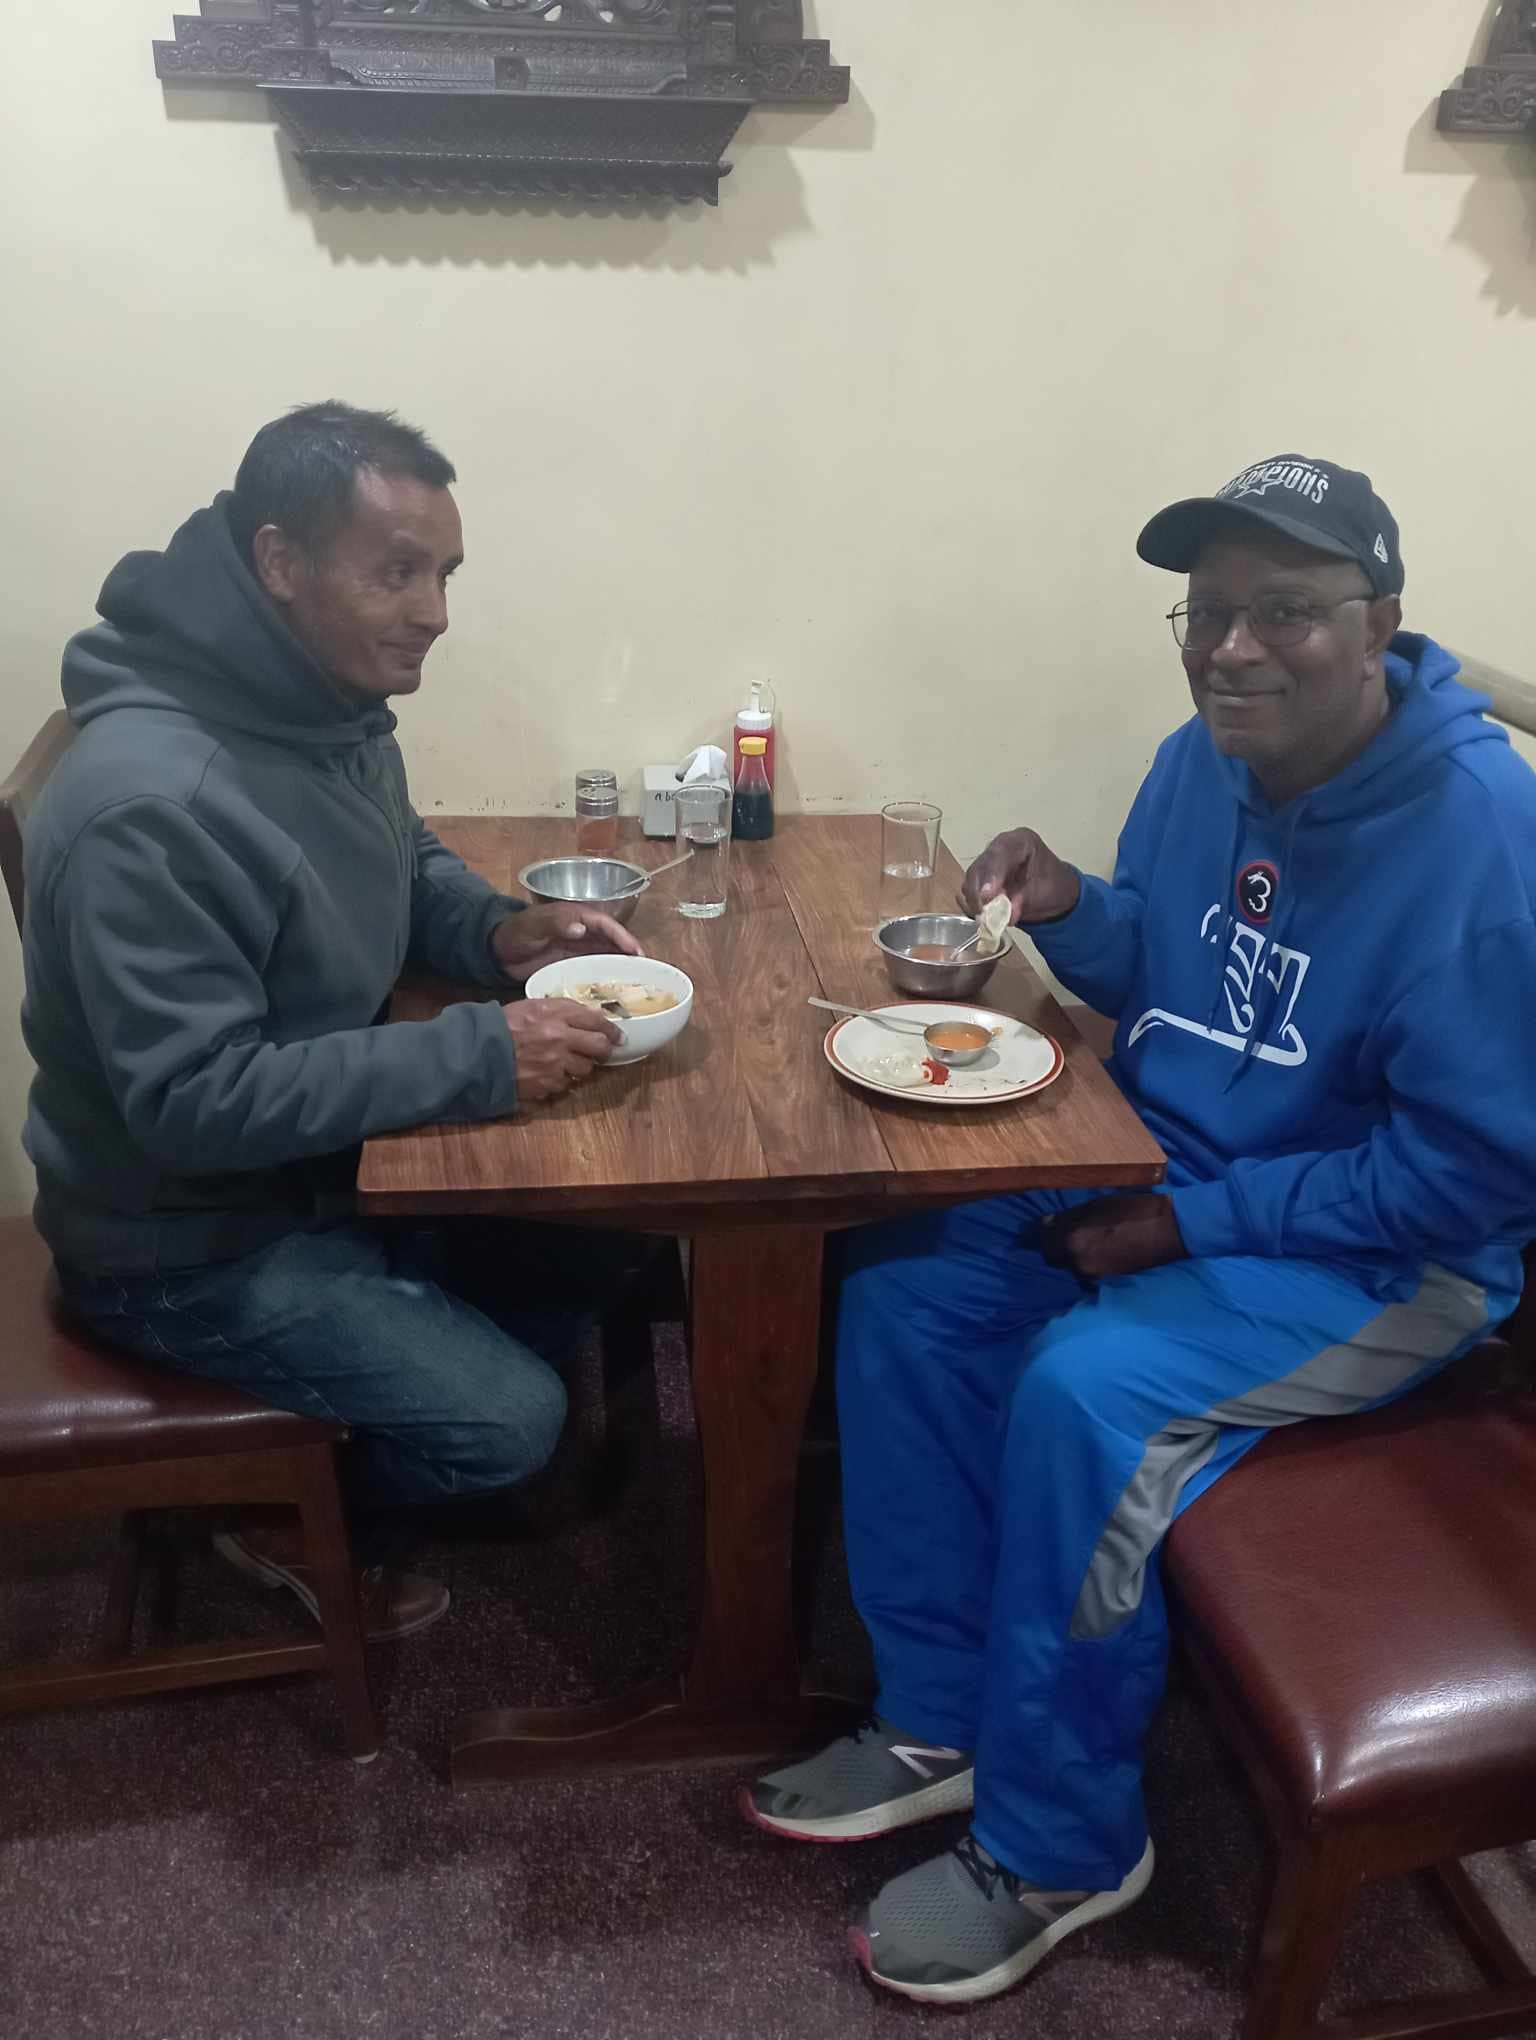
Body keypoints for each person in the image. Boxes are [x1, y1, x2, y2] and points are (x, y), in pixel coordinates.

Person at [744, 454, 1536, 2003]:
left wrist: (1186, 1229)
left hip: (1391, 1255)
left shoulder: (1488, 844)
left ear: (1378, 624)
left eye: (1285, 611)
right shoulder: (1204, 758)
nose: (1233, 649)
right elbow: (1172, 979)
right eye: (1208, 612)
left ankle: (1066, 1843)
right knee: (907, 1280)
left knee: (1086, 1398)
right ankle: (941, 1713)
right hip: (1182, 1164)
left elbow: (1471, 1179)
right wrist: (1069, 908)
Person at [23, 401, 644, 1638]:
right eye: (397, 572)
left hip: (312, 1172)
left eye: (446, 574)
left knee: (602, 1247)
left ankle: (379, 1380)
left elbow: (400, 854)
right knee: (515, 1422)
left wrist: (496, 932)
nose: (435, 612)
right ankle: (276, 1513)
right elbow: (193, 1103)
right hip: (186, 1249)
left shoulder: (312, 695)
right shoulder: (151, 803)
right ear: (279, 561)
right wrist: (479, 1051)